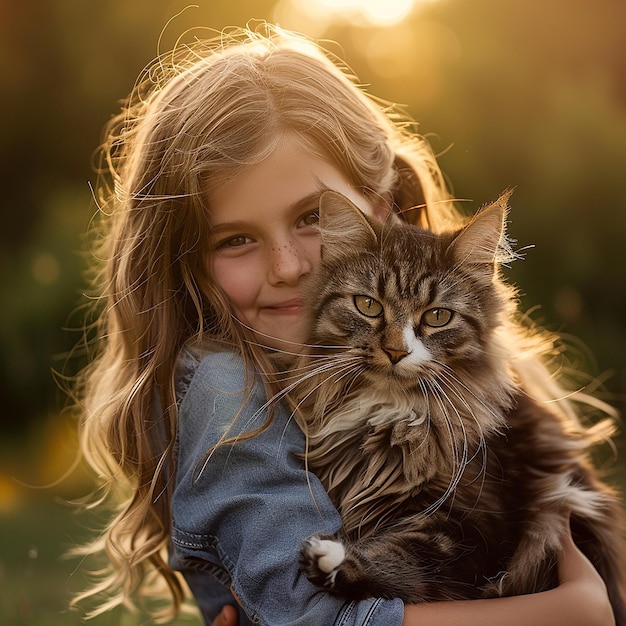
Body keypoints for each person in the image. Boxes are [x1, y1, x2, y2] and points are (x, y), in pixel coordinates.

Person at [71, 23, 617, 626]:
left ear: (377, 208)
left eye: (312, 217)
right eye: (237, 240)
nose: (288, 268)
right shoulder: (227, 392)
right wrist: (571, 613)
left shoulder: (433, 385)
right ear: (186, 262)